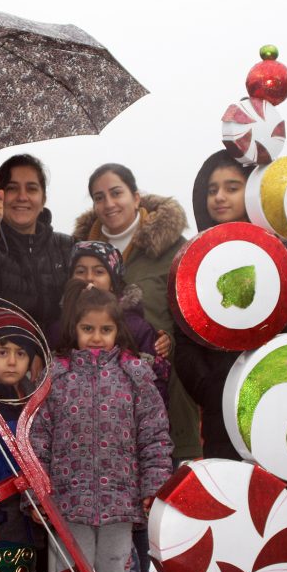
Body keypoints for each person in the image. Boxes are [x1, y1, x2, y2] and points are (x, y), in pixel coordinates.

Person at [175, 149, 287, 532]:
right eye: (212, 189)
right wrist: (217, 391)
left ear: (253, 192)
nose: (219, 197)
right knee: (235, 529)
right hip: (224, 420)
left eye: (232, 187)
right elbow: (185, 342)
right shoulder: (194, 258)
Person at [29, 280, 172, 572]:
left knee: (115, 566)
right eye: (87, 329)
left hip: (120, 500)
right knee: (71, 566)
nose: (96, 337)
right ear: (73, 329)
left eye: (105, 329)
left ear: (117, 330)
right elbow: (38, 438)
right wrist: (36, 495)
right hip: (68, 498)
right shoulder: (57, 377)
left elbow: (154, 435)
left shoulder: (135, 376)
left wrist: (154, 487)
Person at [73, 164, 202, 468]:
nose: (109, 204)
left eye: (116, 193)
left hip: (165, 391)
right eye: (99, 197)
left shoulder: (174, 250)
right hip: (99, 403)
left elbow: (193, 318)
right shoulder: (80, 253)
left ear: (136, 196)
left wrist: (170, 338)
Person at [0, 154, 73, 337]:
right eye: (12, 188)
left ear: (43, 200)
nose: (22, 197)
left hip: (61, 359)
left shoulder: (67, 247)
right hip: (5, 359)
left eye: (32, 189)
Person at [0, 308, 45, 550]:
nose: (12, 362)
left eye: (21, 353)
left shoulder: (32, 396)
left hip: (30, 498)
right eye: (2, 352)